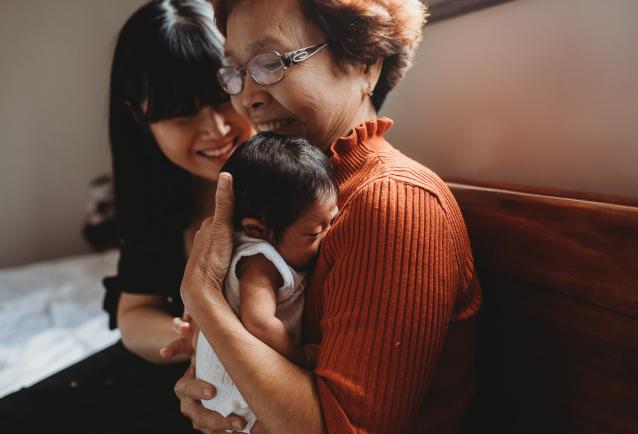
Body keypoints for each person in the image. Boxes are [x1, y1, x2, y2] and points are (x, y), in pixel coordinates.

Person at [168, 0, 482, 433]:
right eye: (236, 71)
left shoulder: (395, 203)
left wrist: (202, 299)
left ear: (366, 62)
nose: (247, 97)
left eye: (270, 63)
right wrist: (214, 386)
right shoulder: (291, 194)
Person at [0, 1, 254, 433]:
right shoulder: (159, 188)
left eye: (222, 98)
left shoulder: (288, 179)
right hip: (173, 369)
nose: (216, 129)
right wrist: (190, 339)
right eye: (182, 114)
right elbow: (134, 315)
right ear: (140, 115)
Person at [194, 132, 338, 433]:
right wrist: (296, 355)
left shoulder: (271, 248)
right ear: (257, 230)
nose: (327, 238)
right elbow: (258, 321)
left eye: (332, 223)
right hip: (237, 390)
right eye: (313, 234)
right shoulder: (261, 261)